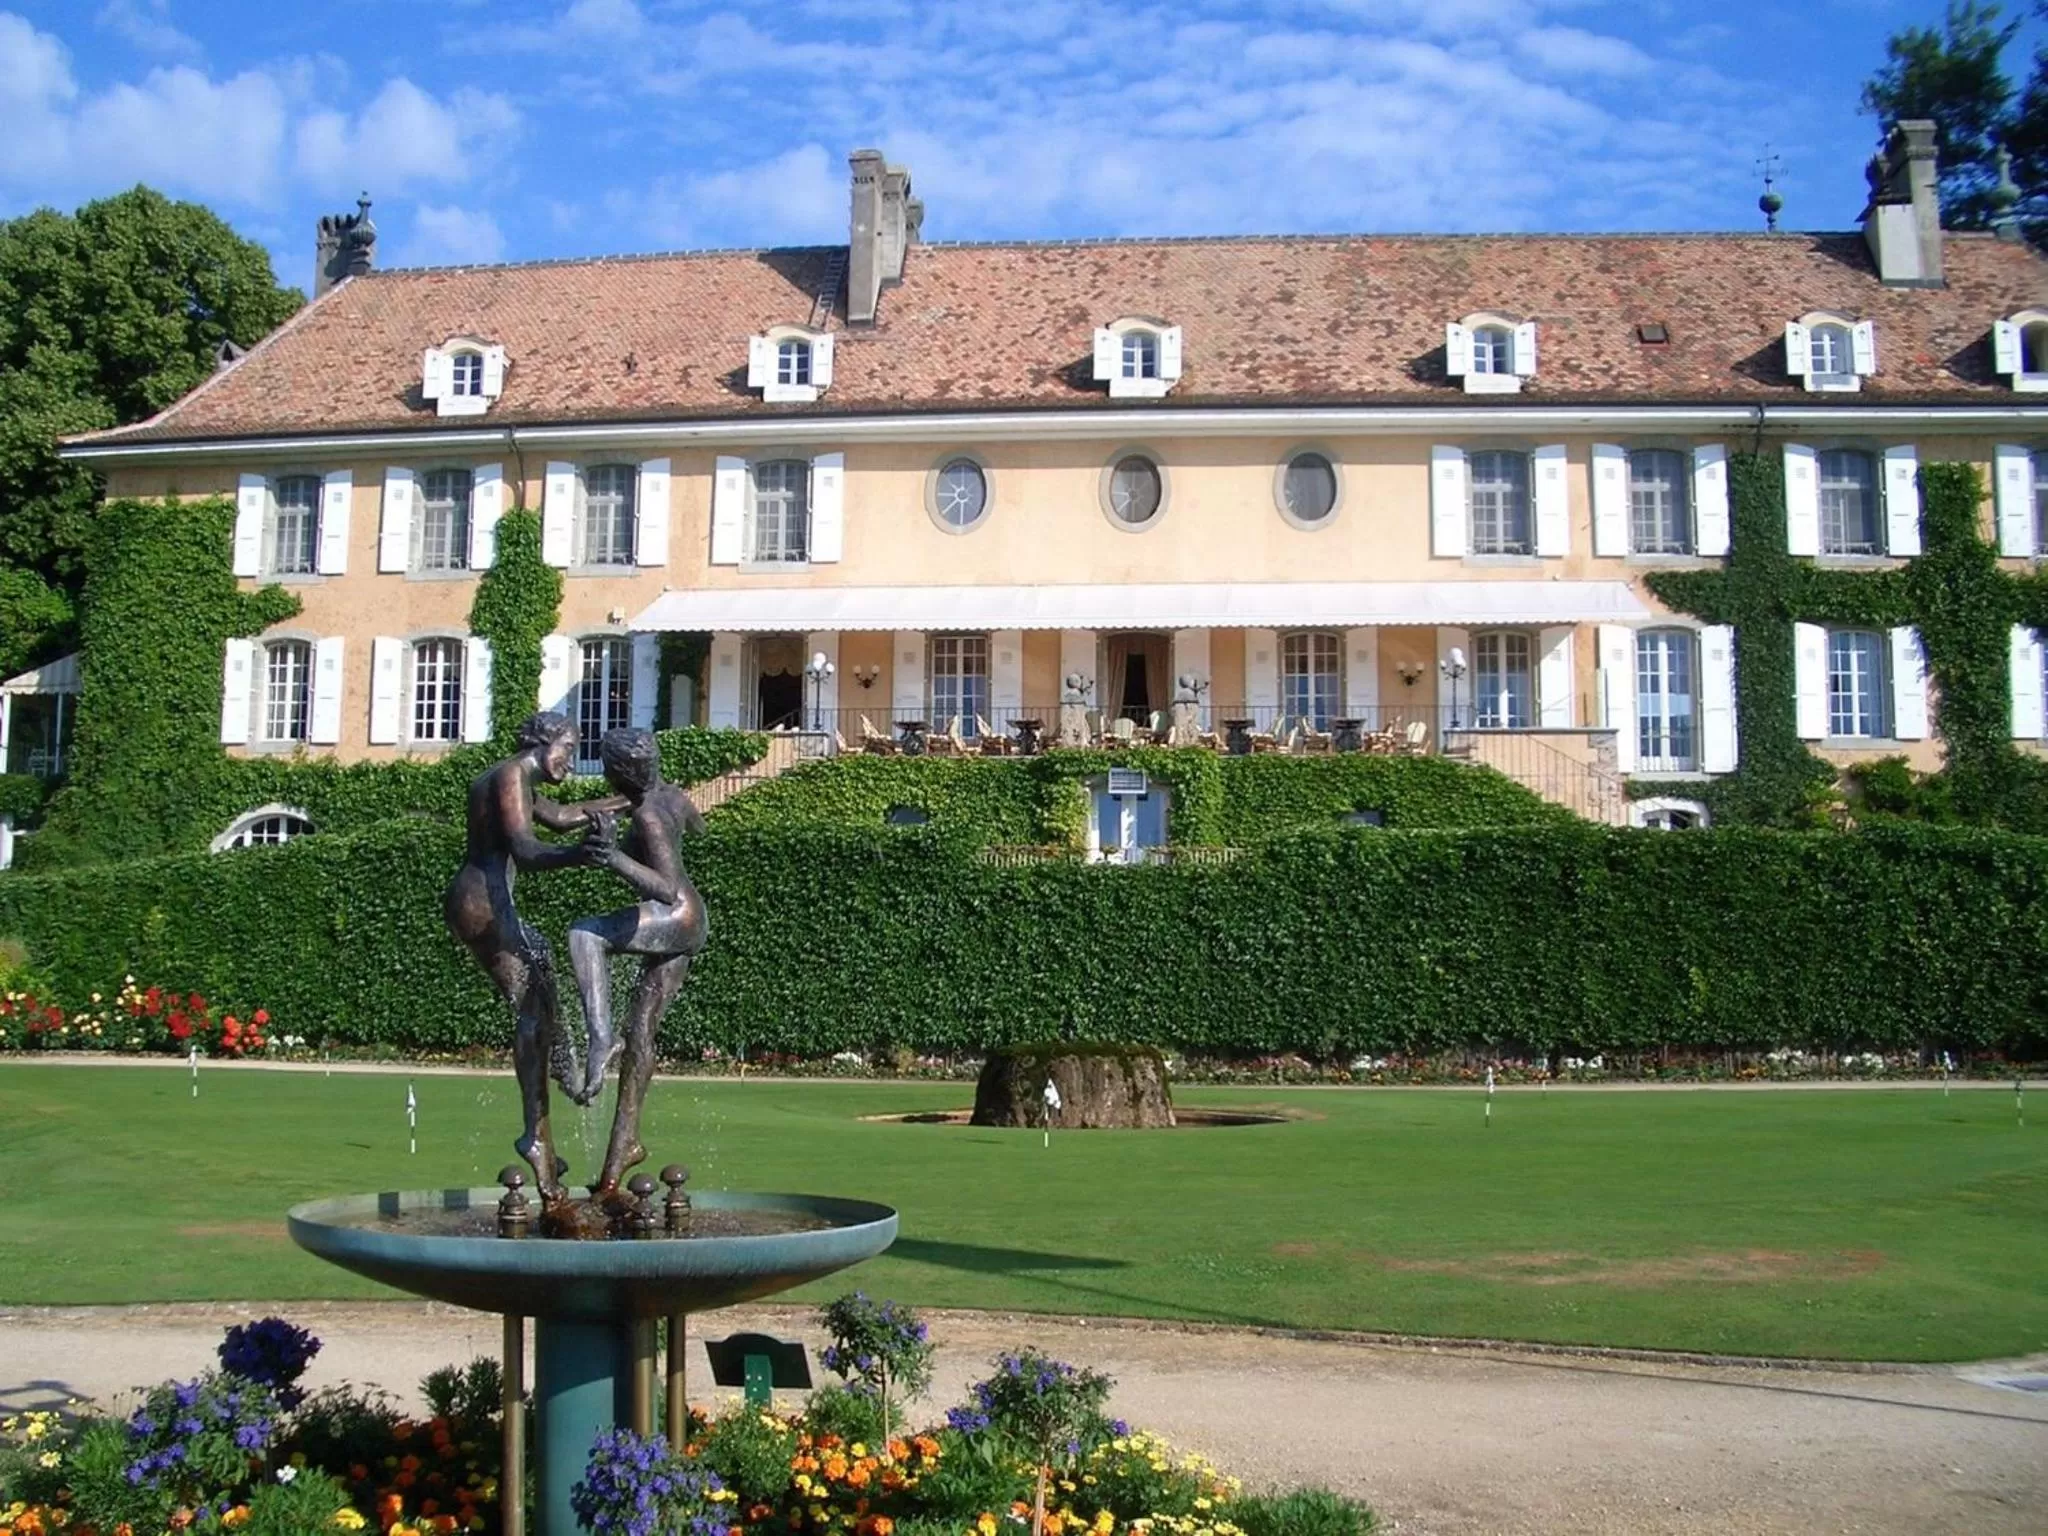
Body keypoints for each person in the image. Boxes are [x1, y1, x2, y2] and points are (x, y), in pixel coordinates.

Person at [442, 711, 613, 1206]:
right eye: (569, 749)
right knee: (532, 1009)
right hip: (484, 906)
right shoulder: (511, 776)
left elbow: (561, 816)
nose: (571, 762)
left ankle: (562, 1074)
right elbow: (527, 850)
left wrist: (630, 798)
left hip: (482, 902)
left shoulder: (508, 777)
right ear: (544, 742)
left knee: (542, 975)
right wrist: (580, 856)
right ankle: (536, 1135)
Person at [569, 726, 708, 1203]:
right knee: (643, 1028)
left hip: (675, 915)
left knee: (585, 934)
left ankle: (599, 1037)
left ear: (620, 772)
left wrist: (613, 858)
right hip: (693, 918)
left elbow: (665, 887)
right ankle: (621, 1150)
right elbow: (698, 828)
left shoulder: (646, 814)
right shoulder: (670, 797)